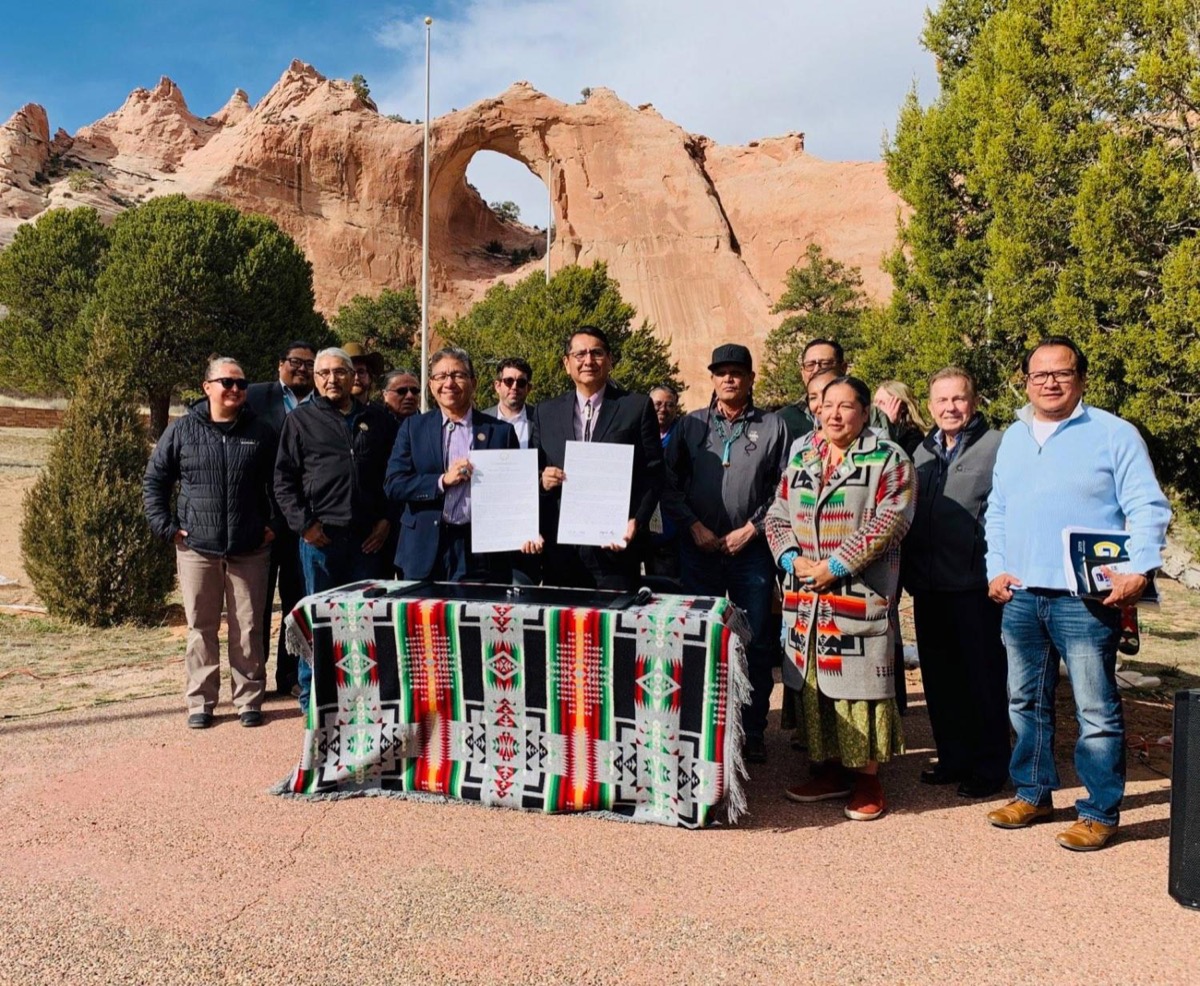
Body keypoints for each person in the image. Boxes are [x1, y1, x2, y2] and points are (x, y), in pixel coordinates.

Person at [984, 336, 1170, 851]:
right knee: (1024, 701)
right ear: (1026, 380)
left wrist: (1139, 568)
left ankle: (1099, 811)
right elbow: (998, 510)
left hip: (1084, 600)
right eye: (1040, 374)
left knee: (1095, 709)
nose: (1050, 382)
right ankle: (1034, 792)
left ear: (1081, 380)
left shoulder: (1114, 434)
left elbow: (1148, 508)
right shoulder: (1015, 437)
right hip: (1021, 594)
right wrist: (995, 568)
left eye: (1061, 373)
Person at [765, 375, 915, 821]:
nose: (834, 414)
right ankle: (829, 769)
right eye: (827, 406)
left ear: (866, 413)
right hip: (806, 598)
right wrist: (791, 559)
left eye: (846, 406)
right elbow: (778, 512)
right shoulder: (803, 455)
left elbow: (891, 521)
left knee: (861, 687)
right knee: (816, 686)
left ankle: (867, 778)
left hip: (857, 595)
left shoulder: (889, 458)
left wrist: (834, 566)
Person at [662, 345, 789, 764]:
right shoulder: (690, 425)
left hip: (750, 552)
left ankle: (752, 729)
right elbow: (668, 482)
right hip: (698, 549)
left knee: (754, 642)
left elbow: (783, 489)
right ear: (712, 379)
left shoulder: (773, 426)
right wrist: (694, 526)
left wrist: (752, 529)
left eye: (737, 372)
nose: (729, 379)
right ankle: (702, 725)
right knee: (700, 639)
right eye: (722, 373)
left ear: (751, 378)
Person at [143, 357, 277, 729]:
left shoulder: (262, 432)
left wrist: (273, 526)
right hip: (196, 547)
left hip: (250, 547)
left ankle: (249, 699)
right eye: (226, 382)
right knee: (201, 626)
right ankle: (201, 701)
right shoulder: (183, 430)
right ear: (207, 388)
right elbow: (155, 481)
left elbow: (280, 483)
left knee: (248, 626)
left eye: (241, 383)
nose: (235, 389)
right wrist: (166, 527)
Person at [902, 367, 1008, 798]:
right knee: (941, 679)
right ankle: (953, 757)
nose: (950, 407)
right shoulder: (920, 452)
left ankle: (989, 767)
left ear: (975, 401)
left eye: (958, 399)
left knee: (982, 679)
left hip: (975, 586)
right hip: (928, 586)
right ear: (930, 406)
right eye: (942, 400)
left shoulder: (998, 446)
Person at [274, 347, 399, 709]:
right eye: (324, 373)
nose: (332, 379)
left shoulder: (377, 420)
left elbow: (393, 475)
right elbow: (283, 481)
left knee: (368, 622)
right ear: (315, 378)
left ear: (352, 376)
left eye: (339, 372)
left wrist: (386, 520)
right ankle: (314, 697)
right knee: (318, 621)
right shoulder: (300, 421)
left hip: (368, 542)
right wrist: (304, 525)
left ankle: (365, 697)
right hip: (320, 540)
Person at [530, 326, 663, 590]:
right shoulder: (545, 413)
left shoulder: (635, 407)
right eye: (579, 354)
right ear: (566, 363)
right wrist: (542, 481)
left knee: (612, 629)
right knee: (563, 629)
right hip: (562, 553)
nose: (588, 360)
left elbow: (654, 472)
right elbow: (533, 473)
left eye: (596, 353)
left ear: (610, 360)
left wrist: (636, 519)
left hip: (615, 550)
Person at [385, 347, 528, 582]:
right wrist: (442, 481)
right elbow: (394, 484)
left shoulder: (501, 432)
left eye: (458, 375)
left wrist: (526, 529)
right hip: (424, 549)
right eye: (441, 376)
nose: (449, 383)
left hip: (481, 552)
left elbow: (515, 492)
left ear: (473, 382)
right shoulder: (413, 428)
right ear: (431, 385)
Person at [247, 340, 315, 697]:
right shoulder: (255, 397)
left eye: (309, 364)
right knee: (255, 606)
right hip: (262, 521)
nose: (302, 369)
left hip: (303, 521)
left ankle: (289, 677)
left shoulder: (322, 404)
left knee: (296, 602)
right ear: (280, 365)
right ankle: (252, 681)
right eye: (295, 362)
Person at [777, 338, 893, 447]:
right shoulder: (784, 419)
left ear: (843, 368)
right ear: (802, 372)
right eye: (810, 365)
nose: (817, 370)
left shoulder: (869, 413)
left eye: (826, 363)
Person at [644, 384, 682, 580]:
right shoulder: (638, 433)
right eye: (657, 404)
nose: (663, 409)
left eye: (669, 405)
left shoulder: (682, 436)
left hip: (670, 525)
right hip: (641, 522)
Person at [483, 358, 533, 449]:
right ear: (497, 386)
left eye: (521, 382)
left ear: (528, 388)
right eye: (509, 381)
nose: (514, 387)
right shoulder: (481, 421)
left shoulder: (539, 420)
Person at [873, 380, 929, 456]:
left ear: (901, 407)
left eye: (882, 403)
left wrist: (888, 424)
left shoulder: (914, 438)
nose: (876, 407)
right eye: (875, 402)